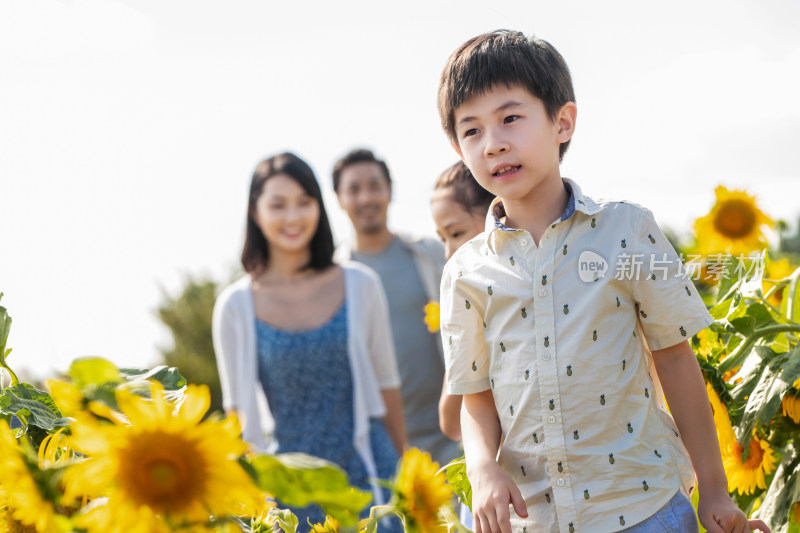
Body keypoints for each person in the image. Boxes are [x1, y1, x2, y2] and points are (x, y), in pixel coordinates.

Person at [436, 30, 771, 533]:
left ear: (562, 122)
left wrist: (716, 493)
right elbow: (474, 394)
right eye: (472, 131)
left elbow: (676, 359)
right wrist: (482, 466)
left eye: (510, 118)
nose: (494, 143)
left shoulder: (629, 231)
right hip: (536, 519)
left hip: (646, 508)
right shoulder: (464, 272)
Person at [212, 152, 406, 531]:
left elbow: (388, 388)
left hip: (370, 479)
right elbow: (239, 421)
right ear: (255, 211)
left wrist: (405, 479)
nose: (293, 217)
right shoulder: (235, 307)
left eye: (304, 202)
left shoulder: (360, 284)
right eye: (278, 205)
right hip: (288, 495)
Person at [333, 148, 461, 467]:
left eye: (375, 186)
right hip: (381, 451)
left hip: (453, 440)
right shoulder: (333, 278)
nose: (366, 198)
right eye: (354, 189)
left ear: (390, 191)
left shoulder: (431, 253)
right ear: (338, 199)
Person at [431, 160, 494, 530]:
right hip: (489, 489)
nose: (448, 251)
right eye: (442, 238)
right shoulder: (464, 306)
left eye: (455, 233)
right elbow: (451, 422)